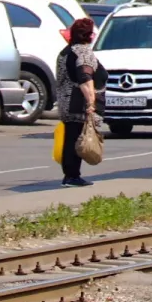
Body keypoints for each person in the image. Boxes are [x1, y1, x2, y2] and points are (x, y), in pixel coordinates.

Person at [54, 16, 100, 187]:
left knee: (71, 137)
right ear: (89, 35)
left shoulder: (65, 51)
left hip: (65, 101)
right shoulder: (82, 51)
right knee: (77, 139)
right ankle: (72, 175)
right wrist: (91, 102)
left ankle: (70, 174)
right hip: (77, 100)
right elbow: (84, 77)